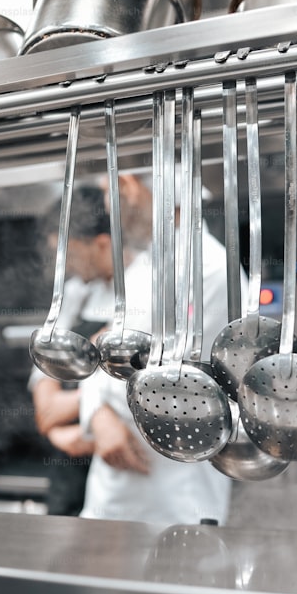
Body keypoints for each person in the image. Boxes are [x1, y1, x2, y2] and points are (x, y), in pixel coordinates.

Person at [73, 173, 248, 527]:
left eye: (109, 194)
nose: (107, 208)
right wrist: (96, 413)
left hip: (176, 504)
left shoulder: (210, 270)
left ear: (130, 187)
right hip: (111, 495)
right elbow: (105, 355)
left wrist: (101, 405)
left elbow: (178, 387)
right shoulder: (144, 265)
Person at [30, 186, 115, 516]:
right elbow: (44, 368)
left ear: (102, 243)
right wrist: (55, 427)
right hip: (66, 456)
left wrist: (71, 408)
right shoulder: (76, 292)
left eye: (70, 254)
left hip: (110, 454)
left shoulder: (141, 294)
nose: (64, 265)